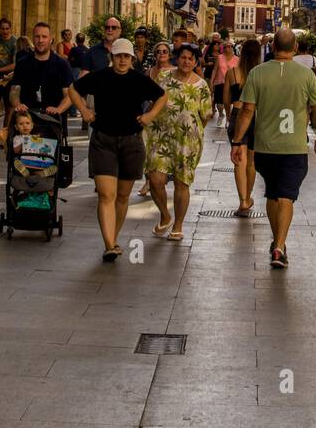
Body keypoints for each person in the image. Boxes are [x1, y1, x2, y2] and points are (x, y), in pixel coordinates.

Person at [231, 26, 316, 269]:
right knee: (286, 196)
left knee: (273, 194)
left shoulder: (257, 73)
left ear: (273, 48)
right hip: (294, 147)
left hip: (264, 147)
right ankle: (278, 246)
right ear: (295, 49)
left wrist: (237, 141)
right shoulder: (306, 75)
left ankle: (278, 242)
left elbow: (247, 111)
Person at [70, 38, 166, 261]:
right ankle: (110, 244)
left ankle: (113, 237)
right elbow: (74, 89)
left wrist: (150, 115)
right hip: (103, 140)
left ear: (132, 58)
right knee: (107, 194)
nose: (122, 60)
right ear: (111, 58)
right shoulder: (100, 77)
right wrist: (83, 109)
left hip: (131, 142)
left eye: (126, 56)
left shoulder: (139, 80)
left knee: (122, 196)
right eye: (118, 56)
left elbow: (162, 96)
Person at [146, 43, 212, 242]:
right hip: (161, 136)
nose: (186, 61)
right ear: (177, 58)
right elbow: (153, 101)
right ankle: (165, 215)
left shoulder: (201, 86)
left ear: (196, 61)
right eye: (183, 57)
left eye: (191, 58)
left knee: (182, 184)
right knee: (155, 178)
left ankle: (178, 225)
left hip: (187, 141)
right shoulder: (164, 78)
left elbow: (206, 115)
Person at [224, 38, 261, 217]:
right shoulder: (260, 74)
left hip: (238, 114)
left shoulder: (232, 72)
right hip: (255, 116)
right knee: (251, 161)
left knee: (239, 160)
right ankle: (248, 196)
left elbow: (226, 100)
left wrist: (228, 115)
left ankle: (243, 202)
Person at [9, 22, 73, 121]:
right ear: (33, 39)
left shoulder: (62, 65)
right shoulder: (22, 63)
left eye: (44, 37)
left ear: (51, 39)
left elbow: (69, 95)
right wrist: (18, 105)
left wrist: (59, 109)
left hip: (54, 122)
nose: (40, 40)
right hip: (26, 121)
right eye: (37, 37)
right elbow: (14, 91)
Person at [135, 40, 171, 198]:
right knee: (146, 149)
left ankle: (158, 179)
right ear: (154, 54)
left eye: (165, 51)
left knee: (162, 151)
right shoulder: (149, 72)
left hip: (166, 116)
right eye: (158, 51)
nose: (161, 54)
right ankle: (149, 179)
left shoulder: (174, 71)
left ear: (169, 55)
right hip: (149, 115)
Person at [210, 39, 235, 126]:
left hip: (232, 83)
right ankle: (221, 114)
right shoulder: (219, 57)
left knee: (229, 103)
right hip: (220, 82)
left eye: (229, 46)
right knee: (219, 104)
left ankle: (228, 119)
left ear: (232, 48)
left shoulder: (237, 59)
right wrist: (211, 81)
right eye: (225, 47)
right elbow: (215, 70)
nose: (227, 48)